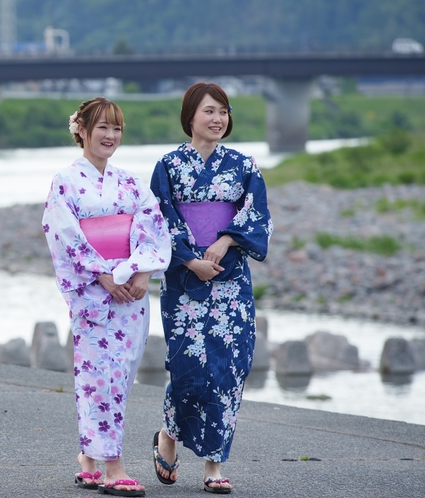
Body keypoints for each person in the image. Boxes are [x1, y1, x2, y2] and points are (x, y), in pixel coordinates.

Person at [42, 97, 172, 497]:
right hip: (94, 292)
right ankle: (113, 465)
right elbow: (62, 232)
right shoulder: (65, 180)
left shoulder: (131, 182)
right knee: (100, 376)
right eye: (102, 127)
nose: (111, 136)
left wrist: (143, 272)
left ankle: (88, 457)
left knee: (122, 375)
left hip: (131, 291)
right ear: (80, 129)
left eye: (117, 128)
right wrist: (101, 274)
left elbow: (152, 225)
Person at [149, 82, 272, 494]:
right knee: (187, 367)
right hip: (184, 279)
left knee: (228, 368)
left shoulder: (244, 165)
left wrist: (225, 239)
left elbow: (258, 217)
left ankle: (214, 466)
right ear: (190, 117)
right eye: (209, 111)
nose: (218, 118)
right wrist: (188, 258)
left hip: (230, 279)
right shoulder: (167, 166)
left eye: (223, 111)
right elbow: (157, 218)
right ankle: (169, 434)